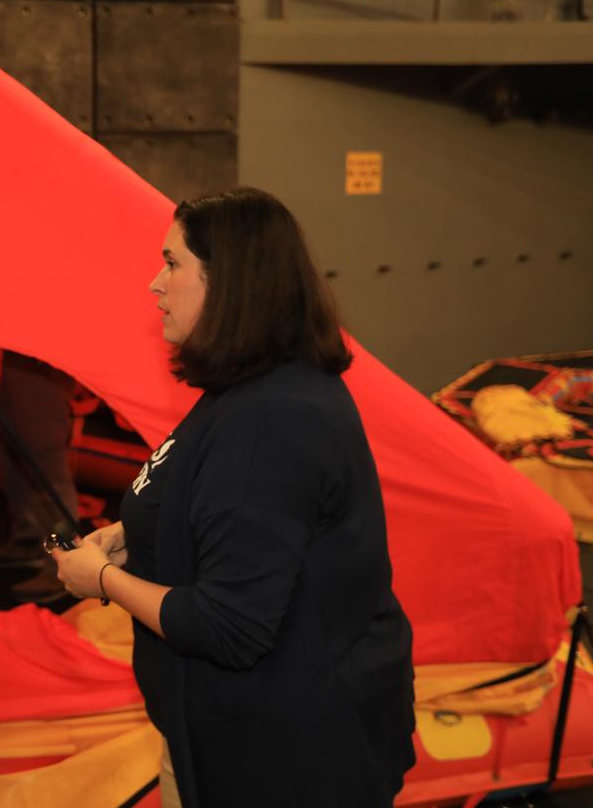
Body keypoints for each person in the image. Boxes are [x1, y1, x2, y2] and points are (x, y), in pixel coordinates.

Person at [52, 188, 416, 807]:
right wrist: (129, 534)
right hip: (236, 734)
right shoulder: (251, 388)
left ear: (230, 284)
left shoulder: (272, 420)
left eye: (171, 264)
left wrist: (103, 581)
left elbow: (229, 627)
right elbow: (217, 506)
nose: (154, 284)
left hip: (285, 759)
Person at [0, 351, 80, 604]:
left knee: (45, 463)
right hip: (17, 352)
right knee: (11, 450)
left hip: (45, 356)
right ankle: (29, 539)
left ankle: (65, 565)